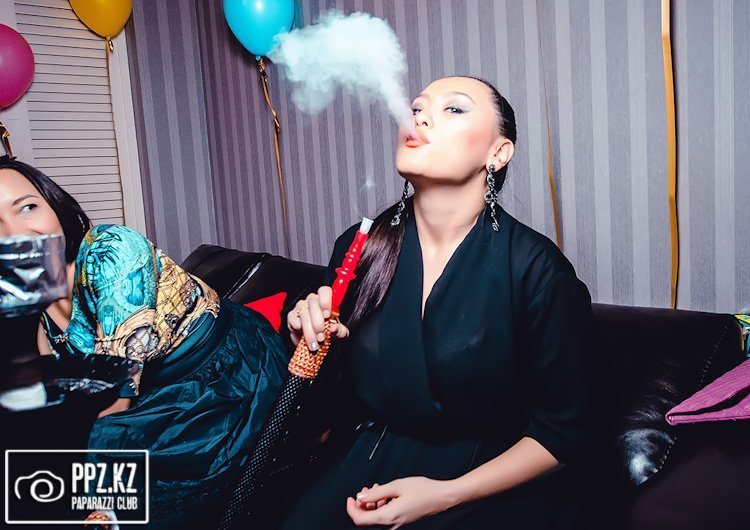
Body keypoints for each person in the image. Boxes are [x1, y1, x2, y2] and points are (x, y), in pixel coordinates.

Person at [281, 76, 594, 529]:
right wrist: (308, 347)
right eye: (417, 107)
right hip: (365, 466)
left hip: (487, 482)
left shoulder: (537, 270)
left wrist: (446, 495)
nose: (420, 118)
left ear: (498, 152)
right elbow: (324, 416)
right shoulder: (360, 248)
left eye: (454, 109)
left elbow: (563, 433)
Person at [0, 156, 290, 528]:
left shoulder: (111, 250)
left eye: (27, 207)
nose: (16, 234)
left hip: (226, 375)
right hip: (155, 394)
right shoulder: (30, 298)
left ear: (53, 205)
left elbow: (114, 394)